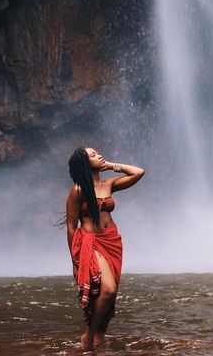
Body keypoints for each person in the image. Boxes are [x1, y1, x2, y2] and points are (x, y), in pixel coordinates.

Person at [66, 147, 145, 350]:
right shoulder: (78, 190)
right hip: (91, 243)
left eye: (98, 152)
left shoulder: (108, 184)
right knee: (107, 290)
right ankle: (89, 336)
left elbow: (138, 172)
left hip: (112, 241)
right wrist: (75, 260)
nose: (99, 155)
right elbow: (71, 226)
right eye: (93, 155)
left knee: (109, 293)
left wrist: (110, 166)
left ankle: (98, 335)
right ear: (84, 163)